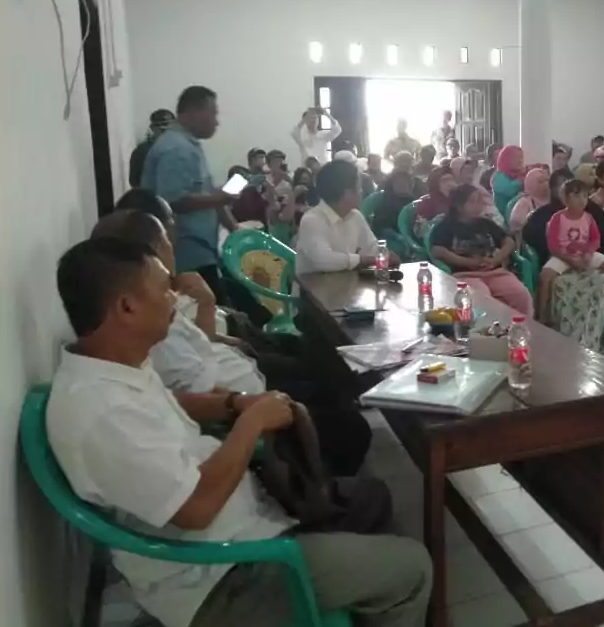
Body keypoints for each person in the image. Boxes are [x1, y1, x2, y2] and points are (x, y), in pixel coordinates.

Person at [48, 237, 431, 627]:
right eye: (163, 290)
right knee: (413, 570)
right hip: (223, 577)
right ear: (126, 307)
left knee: (370, 500)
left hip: (247, 525)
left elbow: (170, 402)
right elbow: (197, 509)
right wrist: (252, 423)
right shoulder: (102, 411)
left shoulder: (117, 369)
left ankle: (355, 596)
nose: (173, 299)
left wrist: (234, 403)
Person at [91, 208, 372, 475]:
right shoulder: (148, 339)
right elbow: (197, 498)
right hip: (250, 401)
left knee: (324, 371)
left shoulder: (143, 335)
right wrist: (249, 411)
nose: (173, 248)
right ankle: (317, 480)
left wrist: (237, 397)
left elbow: (195, 372)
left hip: (245, 390)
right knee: (348, 420)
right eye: (167, 242)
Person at [142, 85, 236, 303]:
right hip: (186, 251)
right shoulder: (176, 149)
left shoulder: (188, 145)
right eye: (213, 113)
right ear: (193, 112)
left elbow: (206, 192)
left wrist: (233, 226)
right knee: (212, 310)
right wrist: (218, 198)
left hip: (201, 248)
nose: (216, 122)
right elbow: (172, 201)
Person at [429, 184, 534, 316]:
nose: (479, 205)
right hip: (465, 274)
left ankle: (521, 326)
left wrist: (497, 258)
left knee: (520, 294)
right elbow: (438, 251)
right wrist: (467, 262)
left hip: (494, 271)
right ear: (459, 206)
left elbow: (508, 241)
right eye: (472, 201)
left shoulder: (486, 223)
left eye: (480, 200)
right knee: (481, 297)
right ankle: (486, 328)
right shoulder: (445, 227)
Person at [538, 179, 604, 325]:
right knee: (545, 276)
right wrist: (568, 259)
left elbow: (595, 239)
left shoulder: (589, 218)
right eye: (576, 196)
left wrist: (588, 253)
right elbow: (553, 245)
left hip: (585, 255)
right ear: (565, 198)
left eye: (585, 196)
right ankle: (542, 315)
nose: (582, 200)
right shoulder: (557, 218)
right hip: (563, 256)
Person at [295, 160, 396, 274]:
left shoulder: (355, 216)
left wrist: (386, 254)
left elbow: (372, 248)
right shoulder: (312, 220)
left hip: (345, 283)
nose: (361, 192)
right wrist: (367, 260)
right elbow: (323, 260)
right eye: (359, 187)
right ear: (347, 193)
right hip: (312, 285)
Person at [129, 109, 176, 187]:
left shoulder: (181, 149)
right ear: (152, 128)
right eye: (162, 130)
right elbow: (135, 182)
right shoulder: (142, 151)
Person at [413, 167, 456, 237]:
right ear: (435, 183)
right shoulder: (426, 202)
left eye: (451, 179)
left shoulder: (458, 199)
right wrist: (435, 222)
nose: (450, 184)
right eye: (444, 181)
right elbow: (419, 232)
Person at [508, 167, 550, 238]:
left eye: (547, 180)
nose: (545, 184)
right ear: (531, 184)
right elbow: (516, 224)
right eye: (540, 182)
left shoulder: (555, 200)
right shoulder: (524, 203)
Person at [492, 145, 526, 215]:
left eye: (521, 158)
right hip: (502, 218)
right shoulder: (499, 176)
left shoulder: (523, 174)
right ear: (506, 159)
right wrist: (521, 179)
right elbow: (509, 191)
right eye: (516, 158)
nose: (520, 161)